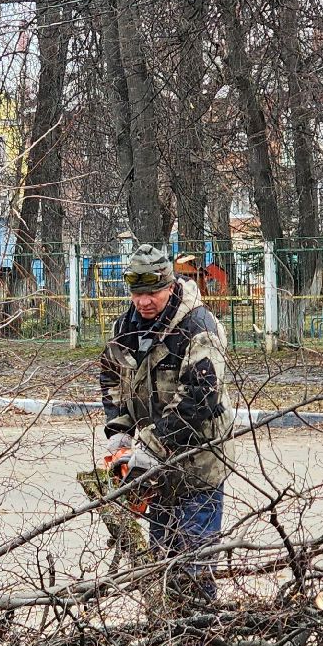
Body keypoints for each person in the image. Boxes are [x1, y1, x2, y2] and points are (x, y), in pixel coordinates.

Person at [99, 244, 235, 602]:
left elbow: (200, 397)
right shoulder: (125, 328)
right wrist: (119, 433)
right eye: (137, 293)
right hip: (155, 474)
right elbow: (112, 378)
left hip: (197, 470)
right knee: (160, 566)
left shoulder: (197, 327)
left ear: (171, 286)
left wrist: (151, 446)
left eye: (153, 293)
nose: (144, 302)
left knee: (193, 571)